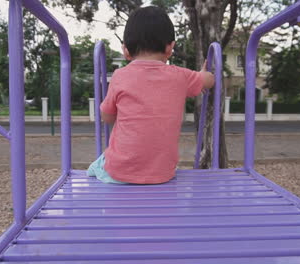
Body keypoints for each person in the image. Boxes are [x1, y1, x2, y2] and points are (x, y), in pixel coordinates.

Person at [87, 6, 215, 184]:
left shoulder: (119, 76)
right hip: (162, 174)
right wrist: (205, 74)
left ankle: (97, 171)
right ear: (170, 48)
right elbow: (207, 80)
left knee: (101, 161)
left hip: (120, 173)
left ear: (126, 50)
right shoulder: (181, 76)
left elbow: (107, 117)